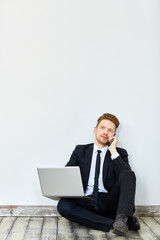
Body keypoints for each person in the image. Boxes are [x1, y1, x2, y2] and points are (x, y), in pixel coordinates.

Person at [57, 113, 140, 236]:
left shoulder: (120, 153)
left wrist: (113, 151)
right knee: (63, 205)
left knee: (128, 173)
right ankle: (117, 223)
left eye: (110, 130)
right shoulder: (80, 151)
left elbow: (127, 179)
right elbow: (67, 174)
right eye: (102, 128)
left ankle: (121, 218)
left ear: (114, 135)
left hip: (109, 203)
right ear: (95, 130)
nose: (105, 132)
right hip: (86, 201)